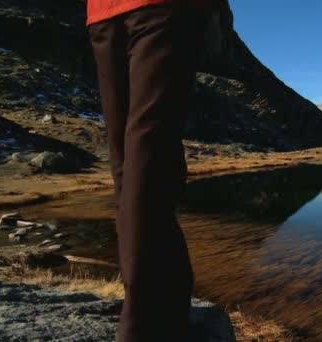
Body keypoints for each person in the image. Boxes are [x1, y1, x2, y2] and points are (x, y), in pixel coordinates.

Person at [87, 0, 213, 340]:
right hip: (164, 8)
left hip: (103, 14)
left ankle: (163, 294)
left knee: (128, 161)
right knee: (148, 153)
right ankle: (144, 323)